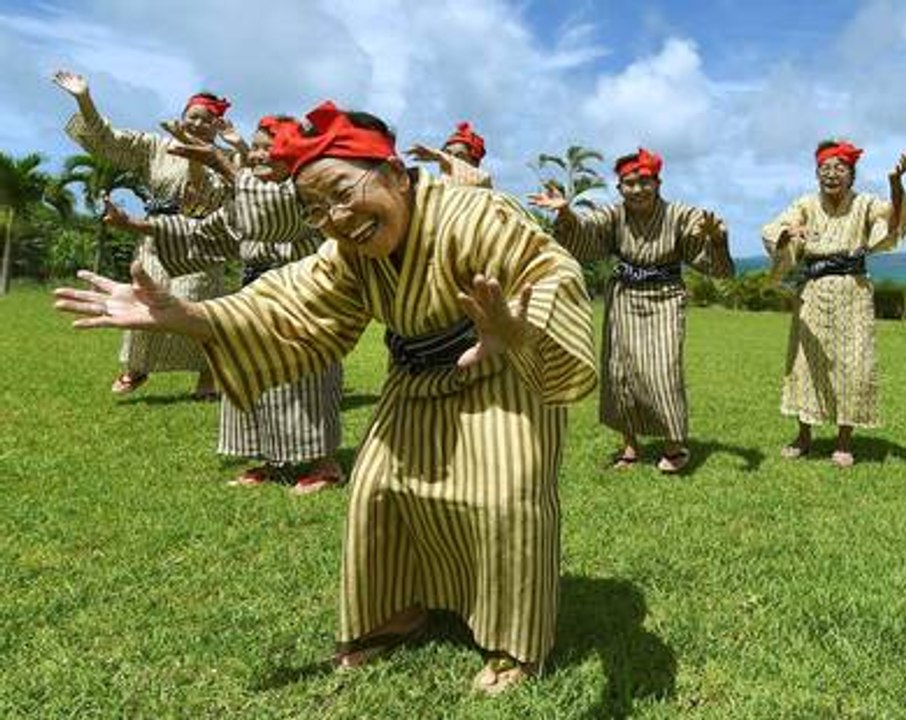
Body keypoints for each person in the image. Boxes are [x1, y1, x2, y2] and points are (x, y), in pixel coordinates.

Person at [54, 101, 597, 694]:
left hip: (502, 371)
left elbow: (553, 273)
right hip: (414, 378)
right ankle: (400, 608)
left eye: (342, 191)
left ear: (391, 171)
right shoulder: (348, 250)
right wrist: (191, 316)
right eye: (316, 209)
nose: (338, 219)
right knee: (378, 490)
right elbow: (291, 303)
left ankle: (514, 645)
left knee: (503, 497)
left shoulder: (475, 215)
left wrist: (515, 329)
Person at [100, 115, 344, 494]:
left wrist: (221, 162)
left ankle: (325, 464)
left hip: (303, 301)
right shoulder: (247, 197)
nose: (260, 153)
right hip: (253, 297)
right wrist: (134, 224)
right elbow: (208, 232)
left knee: (304, 380)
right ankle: (269, 460)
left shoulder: (305, 193)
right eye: (257, 145)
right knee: (251, 373)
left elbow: (273, 214)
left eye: (269, 146)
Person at [529, 148, 733, 472]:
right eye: (629, 183)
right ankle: (629, 448)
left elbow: (705, 247)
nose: (637, 189)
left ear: (658, 182)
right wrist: (566, 214)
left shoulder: (679, 214)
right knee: (619, 371)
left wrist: (718, 240)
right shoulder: (614, 215)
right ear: (620, 188)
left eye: (644, 182)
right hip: (624, 296)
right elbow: (587, 233)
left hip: (665, 296)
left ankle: (674, 445)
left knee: (662, 370)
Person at [52, 69, 231, 398]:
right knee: (146, 297)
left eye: (207, 120)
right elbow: (109, 141)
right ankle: (137, 366)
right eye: (193, 117)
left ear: (217, 127)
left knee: (197, 303)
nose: (198, 124)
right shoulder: (155, 147)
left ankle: (208, 376)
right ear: (182, 116)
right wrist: (84, 98)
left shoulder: (224, 160)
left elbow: (201, 196)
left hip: (199, 238)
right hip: (152, 237)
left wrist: (195, 155)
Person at [761, 140, 906, 468]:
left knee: (853, 364)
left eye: (839, 169)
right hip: (813, 292)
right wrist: (788, 235)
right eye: (825, 169)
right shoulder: (805, 203)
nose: (832, 175)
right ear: (817, 173)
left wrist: (896, 185)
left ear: (851, 174)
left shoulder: (864, 203)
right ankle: (804, 437)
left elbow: (892, 224)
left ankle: (844, 441)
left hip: (853, 291)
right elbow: (776, 228)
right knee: (806, 364)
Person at [405, 121, 493, 188]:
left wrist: (440, 156)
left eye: (459, 156)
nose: (449, 159)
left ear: (475, 163)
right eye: (448, 154)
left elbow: (482, 177)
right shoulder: (434, 192)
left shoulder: (484, 184)